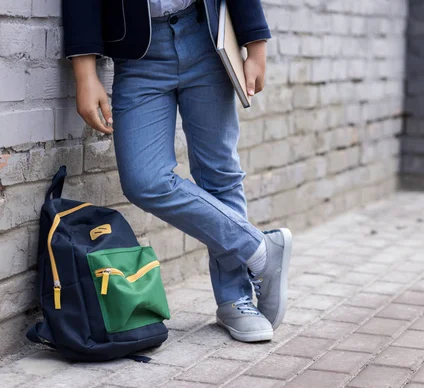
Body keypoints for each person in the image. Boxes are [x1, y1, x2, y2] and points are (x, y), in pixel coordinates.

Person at [62, 0, 292, 343]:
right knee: (145, 180)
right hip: (139, 55)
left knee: (220, 175)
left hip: (205, 37)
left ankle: (234, 298)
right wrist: (85, 72)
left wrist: (255, 43)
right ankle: (259, 249)